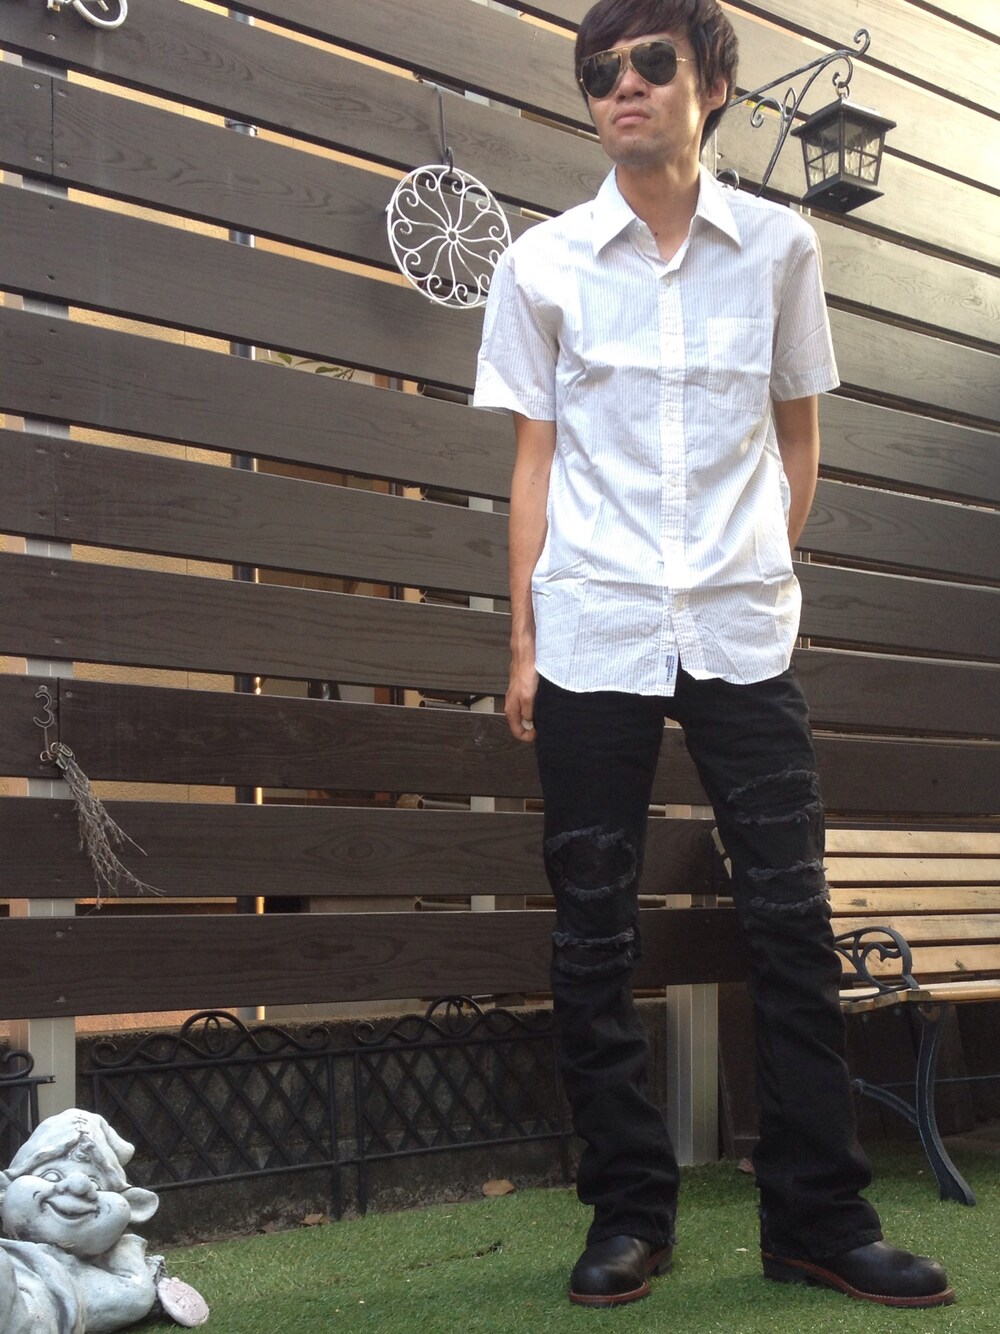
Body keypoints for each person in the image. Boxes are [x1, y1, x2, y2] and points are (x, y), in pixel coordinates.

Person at [474, 0, 953, 1311]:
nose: (622, 86)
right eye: (599, 72)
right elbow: (533, 465)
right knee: (592, 925)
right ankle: (629, 1212)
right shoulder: (541, 264)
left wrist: (761, 566)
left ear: (713, 83)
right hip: (592, 622)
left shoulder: (782, 250)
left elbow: (798, 435)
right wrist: (521, 638)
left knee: (791, 917)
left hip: (741, 628)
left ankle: (818, 1218)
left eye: (651, 62)